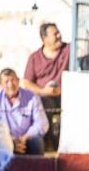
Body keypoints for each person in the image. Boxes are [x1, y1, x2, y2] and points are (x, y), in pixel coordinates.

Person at [22, 22, 70, 152]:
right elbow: (27, 82)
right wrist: (43, 91)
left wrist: (62, 90)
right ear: (44, 39)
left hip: (65, 97)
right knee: (41, 107)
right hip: (44, 99)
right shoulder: (34, 57)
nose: (59, 36)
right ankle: (47, 146)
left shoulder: (69, 50)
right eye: (55, 34)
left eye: (58, 32)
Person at [0, 69, 49, 156]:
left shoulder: (32, 97)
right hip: (6, 139)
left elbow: (42, 123)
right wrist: (11, 140)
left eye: (13, 80)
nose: (10, 84)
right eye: (6, 81)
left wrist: (24, 138)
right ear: (0, 84)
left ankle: (38, 169)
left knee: (37, 141)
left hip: (27, 139)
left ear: (18, 80)